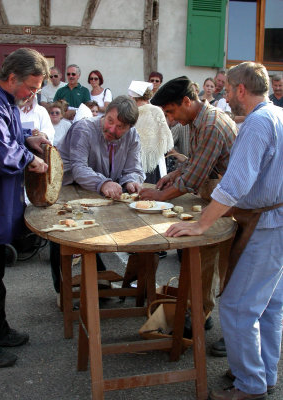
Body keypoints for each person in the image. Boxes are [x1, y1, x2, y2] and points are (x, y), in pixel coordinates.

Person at [166, 62, 283, 400]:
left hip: (265, 225)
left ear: (241, 90)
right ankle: (262, 374)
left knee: (236, 307)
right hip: (274, 221)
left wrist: (200, 224)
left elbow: (235, 184)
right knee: (268, 306)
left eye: (229, 90)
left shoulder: (258, 122)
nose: (225, 96)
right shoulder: (276, 115)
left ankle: (250, 385)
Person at [0, 47, 50, 368]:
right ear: (12, 78)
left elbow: (8, 137)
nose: (31, 95)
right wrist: (29, 158)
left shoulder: (3, 100)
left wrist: (27, 139)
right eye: (31, 89)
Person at [50, 96, 145, 297]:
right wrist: (104, 183)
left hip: (97, 191)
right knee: (63, 234)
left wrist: (131, 181)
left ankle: (100, 280)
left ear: (129, 127)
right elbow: (78, 169)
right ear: (105, 112)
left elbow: (134, 169)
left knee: (98, 235)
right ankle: (65, 289)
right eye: (110, 121)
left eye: (120, 127)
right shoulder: (84, 128)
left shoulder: (132, 136)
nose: (112, 130)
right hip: (68, 188)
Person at [139, 76, 237, 203]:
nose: (171, 118)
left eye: (171, 112)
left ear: (186, 102)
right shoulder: (199, 119)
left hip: (240, 203)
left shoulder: (210, 125)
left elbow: (194, 177)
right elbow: (195, 160)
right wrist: (174, 175)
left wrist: (161, 196)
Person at [128, 80, 173, 184]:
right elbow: (166, 139)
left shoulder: (154, 111)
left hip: (149, 160)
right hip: (145, 160)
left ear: (133, 97)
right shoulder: (134, 112)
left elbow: (164, 136)